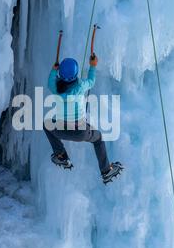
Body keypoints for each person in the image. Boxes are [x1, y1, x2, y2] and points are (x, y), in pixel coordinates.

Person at [43, 55, 123, 184]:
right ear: (75, 75)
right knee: (98, 139)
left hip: (59, 130)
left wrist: (54, 70)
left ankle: (61, 155)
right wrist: (93, 65)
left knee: (46, 124)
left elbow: (50, 82)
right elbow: (91, 81)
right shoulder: (79, 87)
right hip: (80, 132)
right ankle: (106, 170)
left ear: (60, 74)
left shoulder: (56, 88)